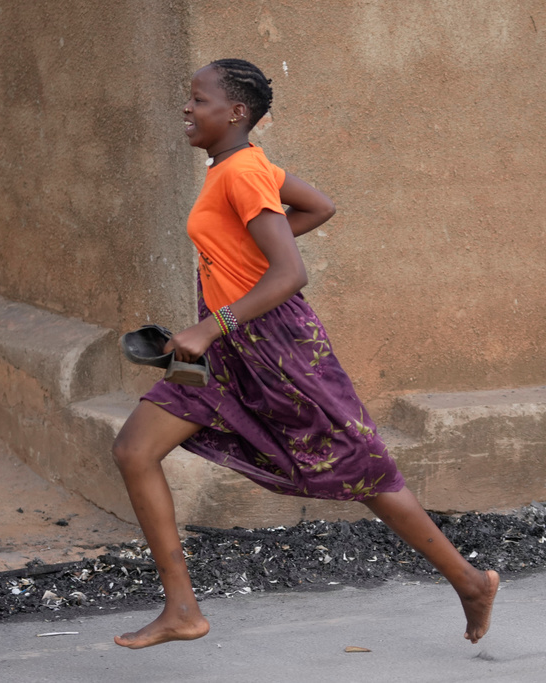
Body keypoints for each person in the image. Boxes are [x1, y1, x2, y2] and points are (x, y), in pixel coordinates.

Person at [112, 58, 498, 649]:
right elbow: (320, 206)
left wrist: (211, 327)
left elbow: (290, 274)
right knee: (135, 450)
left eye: (199, 100)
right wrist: (232, 290)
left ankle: (469, 581)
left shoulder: (242, 174)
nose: (187, 109)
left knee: (362, 467)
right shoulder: (243, 167)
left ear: (236, 112)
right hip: (230, 350)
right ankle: (182, 610)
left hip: (275, 349)